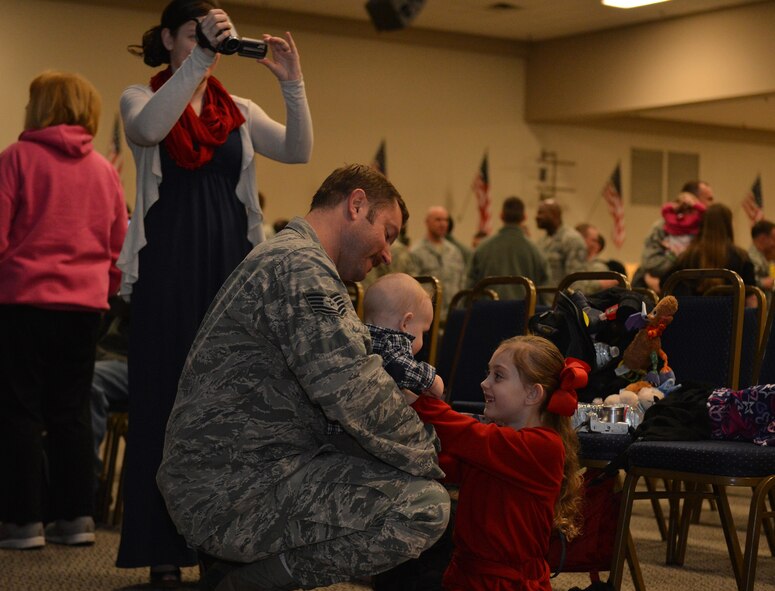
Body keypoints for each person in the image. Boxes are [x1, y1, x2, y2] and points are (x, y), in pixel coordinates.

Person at [157, 164, 449, 591]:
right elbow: (356, 391)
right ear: (356, 204)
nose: (388, 254)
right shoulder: (302, 268)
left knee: (392, 469)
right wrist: (438, 456)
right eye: (387, 233)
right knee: (426, 507)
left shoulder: (292, 257)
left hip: (241, 471)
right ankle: (247, 582)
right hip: (231, 490)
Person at [115, 0, 313, 584]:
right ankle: (160, 552)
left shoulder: (239, 110)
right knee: (162, 406)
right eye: (197, 33)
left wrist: (293, 83)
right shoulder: (140, 97)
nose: (209, 42)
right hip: (167, 271)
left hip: (228, 270)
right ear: (172, 37)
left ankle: (218, 547)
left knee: (225, 412)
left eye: (214, 34)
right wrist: (200, 56)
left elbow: (299, 150)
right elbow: (151, 127)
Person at [0, 71, 127, 549]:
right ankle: (76, 518)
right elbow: (118, 247)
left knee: (19, 411)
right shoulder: (104, 171)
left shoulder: (14, 160)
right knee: (71, 411)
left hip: (22, 304)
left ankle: (22, 521)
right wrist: (100, 290)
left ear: (41, 107)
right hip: (83, 308)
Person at [403, 335, 588, 590]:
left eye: (498, 376)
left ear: (533, 393)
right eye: (488, 374)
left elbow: (470, 436)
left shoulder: (544, 446)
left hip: (508, 584)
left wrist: (421, 403)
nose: (484, 383)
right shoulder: (494, 444)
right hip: (465, 574)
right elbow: (441, 464)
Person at [363, 273, 444, 397]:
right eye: (423, 332)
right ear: (405, 323)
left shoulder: (361, 335)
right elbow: (399, 367)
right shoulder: (390, 341)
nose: (423, 338)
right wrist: (431, 380)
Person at [662, 203, 757, 301]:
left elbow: (666, 283)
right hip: (729, 315)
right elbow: (751, 297)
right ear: (728, 225)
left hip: (693, 315)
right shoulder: (741, 256)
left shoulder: (688, 256)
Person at [633, 180, 714, 294]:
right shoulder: (663, 226)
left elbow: (704, 266)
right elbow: (650, 263)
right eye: (709, 199)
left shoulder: (707, 229)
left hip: (694, 287)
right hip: (661, 286)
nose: (711, 205)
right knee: (640, 277)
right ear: (690, 201)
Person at [467, 196, 548, 300]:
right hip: (524, 313)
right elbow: (545, 291)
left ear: (501, 215)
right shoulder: (536, 252)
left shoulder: (482, 248)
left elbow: (469, 286)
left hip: (488, 312)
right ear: (524, 217)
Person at [412, 206, 465, 320]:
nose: (443, 224)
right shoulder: (416, 252)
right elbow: (413, 286)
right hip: (428, 317)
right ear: (427, 222)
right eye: (438, 220)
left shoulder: (454, 251)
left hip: (453, 315)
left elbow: (462, 281)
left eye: (445, 220)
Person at [535, 199, 587, 287]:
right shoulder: (542, 242)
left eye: (541, 213)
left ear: (554, 214)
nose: (537, 217)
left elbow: (575, 281)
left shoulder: (571, 239)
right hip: (542, 298)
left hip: (560, 299)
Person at [573, 222, 621, 294]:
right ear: (581, 239)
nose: (597, 245)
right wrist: (600, 284)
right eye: (594, 240)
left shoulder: (598, 266)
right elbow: (577, 288)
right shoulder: (571, 262)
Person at [749, 219, 775, 296]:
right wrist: (762, 283)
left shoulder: (766, 257)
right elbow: (745, 282)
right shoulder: (750, 259)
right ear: (762, 239)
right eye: (773, 238)